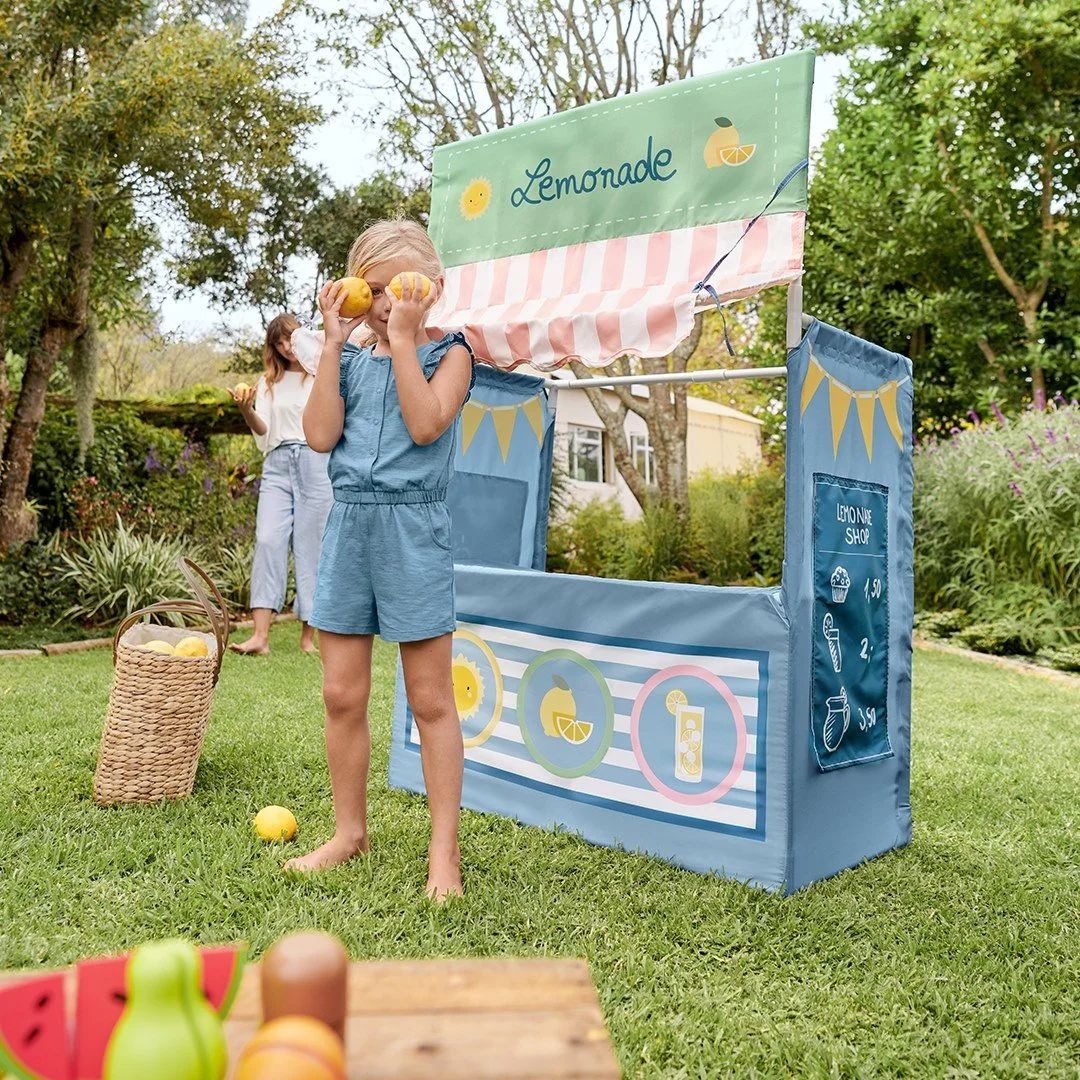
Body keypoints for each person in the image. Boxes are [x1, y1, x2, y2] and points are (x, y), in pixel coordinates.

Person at [285, 219, 474, 902]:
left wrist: (402, 340)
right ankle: (349, 832)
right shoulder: (350, 355)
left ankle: (443, 855)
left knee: (429, 699)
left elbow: (425, 424)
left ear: (433, 287)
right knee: (341, 693)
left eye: (401, 287)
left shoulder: (451, 354)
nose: (389, 301)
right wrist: (335, 343)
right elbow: (317, 436)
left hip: (413, 532)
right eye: (374, 289)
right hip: (350, 529)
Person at [229, 314, 333, 655]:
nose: (287, 348)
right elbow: (263, 431)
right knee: (268, 539)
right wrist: (245, 410)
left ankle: (308, 638)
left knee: (310, 547)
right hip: (276, 465)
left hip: (315, 462)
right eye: (279, 343)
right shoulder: (267, 383)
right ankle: (260, 637)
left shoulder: (321, 374)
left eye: (290, 339)